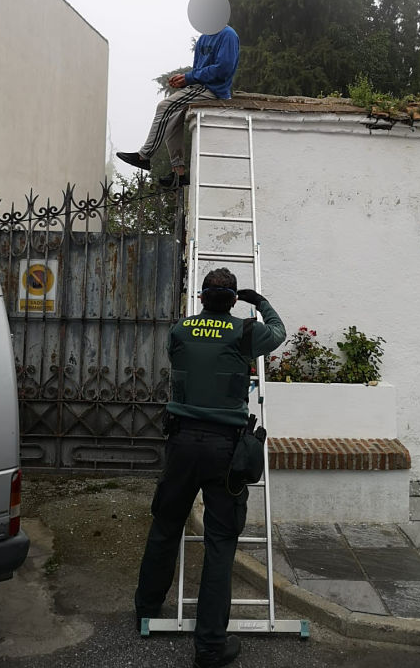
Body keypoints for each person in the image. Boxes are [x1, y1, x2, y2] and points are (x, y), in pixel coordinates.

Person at [134, 267, 285, 668]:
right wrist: (260, 302)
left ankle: (146, 611)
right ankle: (210, 646)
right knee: (220, 543)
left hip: (181, 444)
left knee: (165, 527)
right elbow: (279, 331)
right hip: (225, 451)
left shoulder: (180, 330)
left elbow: (182, 358)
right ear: (234, 300)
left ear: (201, 299)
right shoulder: (246, 333)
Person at [116, 0, 240, 189]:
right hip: (200, 87)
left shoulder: (228, 35)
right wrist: (184, 79)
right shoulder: (203, 38)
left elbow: (223, 69)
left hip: (214, 90)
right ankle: (179, 173)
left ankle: (144, 156)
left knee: (164, 106)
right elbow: (200, 69)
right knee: (172, 120)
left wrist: (190, 78)